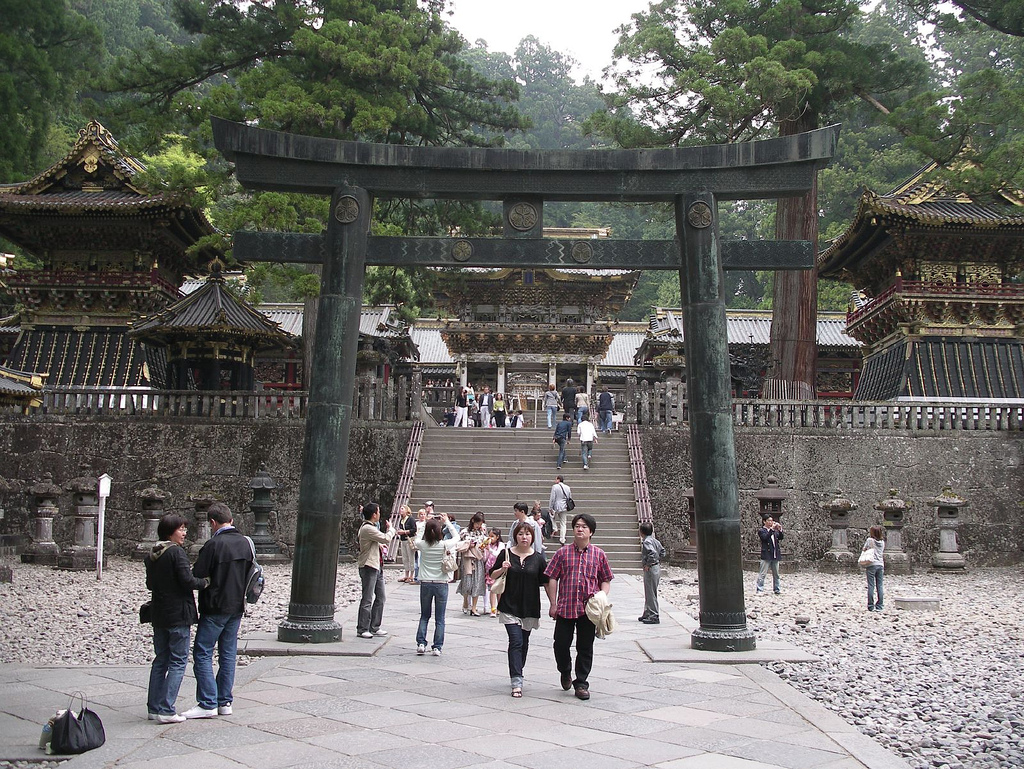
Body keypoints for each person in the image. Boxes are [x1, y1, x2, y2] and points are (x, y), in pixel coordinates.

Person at [183, 502, 252, 719]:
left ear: (212, 522)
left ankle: (207, 701)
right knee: (228, 653)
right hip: (237, 604)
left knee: (203, 651)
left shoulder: (213, 545)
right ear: (231, 519)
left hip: (215, 605)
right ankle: (225, 700)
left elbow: (198, 574)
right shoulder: (246, 543)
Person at [145, 513, 210, 724]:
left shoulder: (153, 554)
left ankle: (154, 706)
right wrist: (206, 582)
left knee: (160, 660)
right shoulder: (176, 553)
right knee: (178, 661)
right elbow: (187, 580)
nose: (184, 533)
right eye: (181, 529)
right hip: (178, 614)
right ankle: (166, 708)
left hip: (159, 613)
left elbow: (150, 585)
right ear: (170, 531)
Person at [544, 513, 614, 701]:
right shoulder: (562, 553)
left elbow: (605, 580)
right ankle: (565, 670)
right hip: (566, 607)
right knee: (560, 644)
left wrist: (601, 596)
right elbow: (552, 577)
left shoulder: (599, 554)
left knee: (585, 647)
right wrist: (553, 603)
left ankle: (581, 682)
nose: (580, 529)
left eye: (584, 526)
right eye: (577, 526)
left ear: (591, 532)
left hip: (588, 610)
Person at [491, 522, 549, 698]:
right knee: (515, 641)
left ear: (533, 537)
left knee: (523, 642)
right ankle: (516, 680)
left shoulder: (538, 558)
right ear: (515, 536)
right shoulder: (506, 554)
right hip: (509, 604)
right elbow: (492, 574)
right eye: (521, 534)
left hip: (530, 606)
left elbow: (545, 581)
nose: (524, 537)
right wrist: (503, 568)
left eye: (528, 534)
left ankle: (518, 668)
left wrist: (555, 602)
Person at [413, 513, 459, 655]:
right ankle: (437, 646)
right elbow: (457, 537)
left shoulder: (423, 545)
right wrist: (447, 523)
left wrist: (425, 524)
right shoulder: (444, 544)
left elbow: (416, 539)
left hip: (426, 582)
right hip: (441, 582)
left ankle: (421, 642)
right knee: (440, 618)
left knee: (424, 615)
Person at [356, 502, 393, 639]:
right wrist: (391, 530)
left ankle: (375, 626)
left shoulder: (370, 527)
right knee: (367, 598)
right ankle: (362, 628)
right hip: (368, 566)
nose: (379, 514)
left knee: (381, 597)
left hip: (377, 565)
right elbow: (386, 538)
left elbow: (378, 540)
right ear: (374, 514)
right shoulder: (367, 528)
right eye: (378, 512)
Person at [457, 512, 489, 616]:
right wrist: (468, 544)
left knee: (477, 582)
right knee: (467, 582)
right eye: (477, 523)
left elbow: (485, 541)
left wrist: (484, 545)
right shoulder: (464, 532)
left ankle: (474, 607)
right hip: (467, 559)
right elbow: (458, 544)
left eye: (480, 524)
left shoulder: (482, 532)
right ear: (473, 521)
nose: (479, 526)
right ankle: (466, 600)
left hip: (478, 559)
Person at [638, 522, 666, 624]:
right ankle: (647, 612)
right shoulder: (655, 541)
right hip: (656, 567)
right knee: (650, 591)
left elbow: (652, 553)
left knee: (650, 592)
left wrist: (649, 564)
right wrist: (657, 561)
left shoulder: (647, 542)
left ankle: (653, 615)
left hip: (651, 569)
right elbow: (662, 552)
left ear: (641, 532)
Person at [756, 515, 784, 595]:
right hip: (766, 555)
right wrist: (771, 529)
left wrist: (780, 529)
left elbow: (781, 537)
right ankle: (759, 589)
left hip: (775, 554)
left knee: (776, 574)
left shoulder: (774, 531)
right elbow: (765, 538)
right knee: (762, 573)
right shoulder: (762, 531)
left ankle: (777, 589)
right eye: (768, 520)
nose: (771, 522)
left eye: (771, 521)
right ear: (764, 521)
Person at [862, 525, 886, 611]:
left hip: (871, 564)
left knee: (871, 585)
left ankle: (871, 605)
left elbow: (864, 549)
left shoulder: (870, 540)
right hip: (880, 564)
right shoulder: (882, 542)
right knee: (880, 585)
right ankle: (880, 605)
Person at [483, 528, 503, 616]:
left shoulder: (501, 545)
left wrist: (489, 550)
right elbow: (484, 558)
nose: (490, 538)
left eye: (492, 536)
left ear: (497, 537)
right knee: (492, 589)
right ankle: (493, 608)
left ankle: (500, 607)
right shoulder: (488, 544)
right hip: (489, 569)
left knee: (499, 590)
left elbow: (498, 554)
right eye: (489, 536)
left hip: (498, 569)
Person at [395, 504, 417, 583]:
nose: (401, 510)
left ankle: (411, 575)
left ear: (407, 510)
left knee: (411, 557)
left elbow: (414, 529)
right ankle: (406, 574)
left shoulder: (410, 519)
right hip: (403, 540)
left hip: (409, 539)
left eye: (402, 508)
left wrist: (404, 532)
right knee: (405, 558)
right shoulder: (401, 520)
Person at [549, 476, 572, 545]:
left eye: (555, 479)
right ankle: (562, 539)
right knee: (563, 523)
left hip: (557, 506)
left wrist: (550, 507)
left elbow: (552, 498)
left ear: (558, 480)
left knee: (551, 516)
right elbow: (569, 497)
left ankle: (555, 528)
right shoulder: (567, 487)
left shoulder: (555, 487)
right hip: (564, 506)